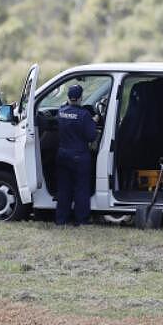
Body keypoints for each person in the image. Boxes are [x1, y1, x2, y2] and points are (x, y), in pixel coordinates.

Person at [55, 84, 97, 226]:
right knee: (81, 189)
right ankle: (81, 220)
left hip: (63, 155)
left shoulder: (61, 112)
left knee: (64, 189)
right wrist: (94, 122)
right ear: (80, 98)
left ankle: (61, 220)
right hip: (79, 156)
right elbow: (91, 136)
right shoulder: (84, 115)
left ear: (68, 97)